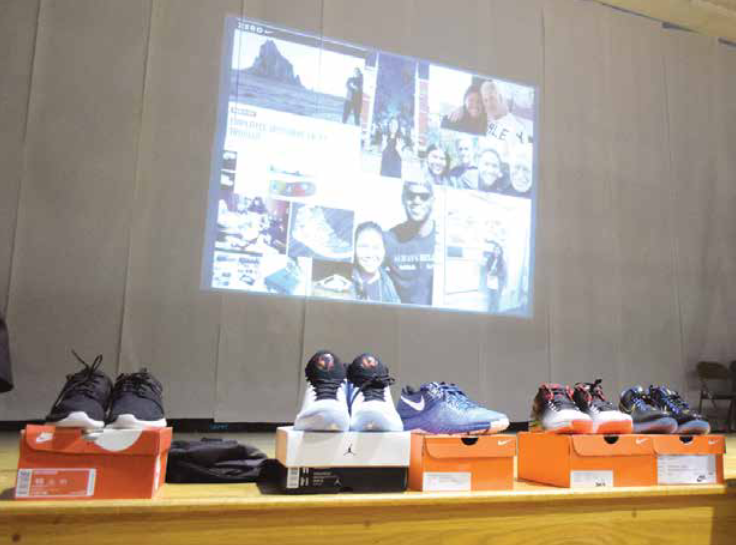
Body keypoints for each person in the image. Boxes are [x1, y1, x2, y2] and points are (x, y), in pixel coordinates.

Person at [384, 180, 437, 306]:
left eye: (424, 196)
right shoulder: (389, 239)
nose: (416, 201)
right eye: (411, 196)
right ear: (403, 199)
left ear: (432, 201)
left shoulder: (445, 237)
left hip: (439, 316)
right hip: (401, 316)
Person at [350, 222, 400, 303]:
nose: (370, 254)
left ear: (384, 250)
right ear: (354, 249)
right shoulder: (343, 282)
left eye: (376, 247)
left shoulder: (390, 285)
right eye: (363, 247)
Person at [480, 80, 530, 145]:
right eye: (485, 100)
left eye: (492, 98)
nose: (489, 104)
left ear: (500, 98)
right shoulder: (484, 124)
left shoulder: (518, 128)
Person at [484, 241, 507, 313]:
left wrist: (495, 274)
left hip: (498, 283)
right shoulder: (490, 259)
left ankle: (496, 315)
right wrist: (488, 273)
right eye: (495, 250)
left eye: (498, 250)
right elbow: (487, 268)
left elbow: (503, 273)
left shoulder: (502, 261)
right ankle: (489, 314)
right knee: (490, 300)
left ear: (500, 252)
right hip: (490, 281)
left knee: (496, 300)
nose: (496, 252)